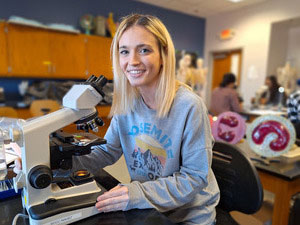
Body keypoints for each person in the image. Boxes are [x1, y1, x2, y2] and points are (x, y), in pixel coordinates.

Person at [15, 14, 220, 225]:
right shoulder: (128, 103)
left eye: (144, 50)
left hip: (188, 216)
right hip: (147, 207)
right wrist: (48, 162)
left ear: (164, 55)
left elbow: (194, 178)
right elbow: (106, 152)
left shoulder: (189, 106)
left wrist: (136, 194)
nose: (132, 61)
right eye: (124, 51)